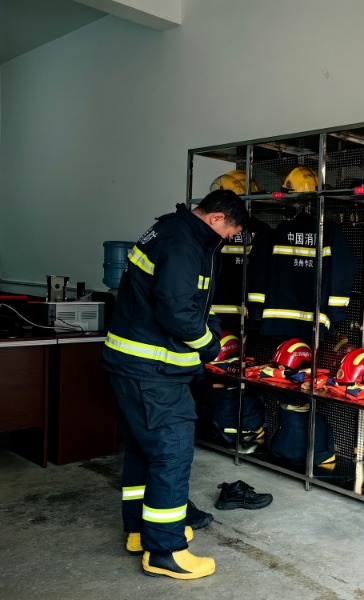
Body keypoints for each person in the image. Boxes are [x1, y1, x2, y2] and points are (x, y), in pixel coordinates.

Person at [101, 189, 247, 579]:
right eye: (231, 232)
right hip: (154, 373)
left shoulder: (171, 230)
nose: (229, 239)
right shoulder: (183, 242)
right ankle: (165, 551)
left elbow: (193, 301)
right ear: (217, 218)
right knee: (172, 453)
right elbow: (177, 310)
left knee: (143, 451)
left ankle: (140, 532)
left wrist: (208, 326)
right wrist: (211, 345)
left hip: (131, 367)